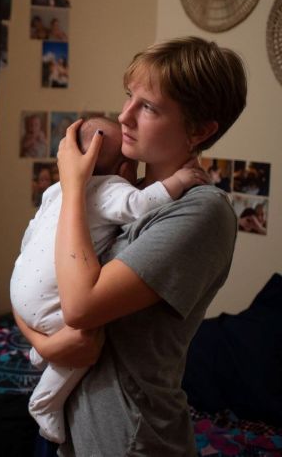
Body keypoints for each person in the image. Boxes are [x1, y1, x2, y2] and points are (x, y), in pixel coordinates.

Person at [14, 36, 246, 456]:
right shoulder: (119, 192)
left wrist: (72, 186)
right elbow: (34, 278)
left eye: (149, 107)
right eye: (128, 97)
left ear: (200, 130)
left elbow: (79, 305)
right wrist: (43, 343)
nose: (124, 116)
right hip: (80, 433)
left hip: (130, 437)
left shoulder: (202, 212)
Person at [11, 117, 208, 444]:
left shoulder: (55, 190)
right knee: (89, 336)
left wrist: (41, 340)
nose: (127, 115)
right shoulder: (112, 189)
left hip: (21, 287)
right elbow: (141, 204)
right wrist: (180, 180)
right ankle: (45, 401)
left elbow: (31, 234)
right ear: (123, 168)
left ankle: (42, 348)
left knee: (60, 322)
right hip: (52, 303)